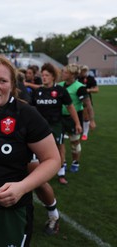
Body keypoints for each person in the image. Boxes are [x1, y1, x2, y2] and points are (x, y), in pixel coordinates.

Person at [0, 54, 61, 247]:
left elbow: (52, 159)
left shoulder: (27, 114)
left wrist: (22, 187)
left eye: (2, 81)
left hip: (11, 212)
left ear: (12, 84)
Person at [30, 62, 82, 234]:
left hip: (55, 126)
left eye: (47, 75)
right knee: (37, 153)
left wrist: (77, 123)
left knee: (59, 148)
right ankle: (43, 172)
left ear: (53, 76)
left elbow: (70, 107)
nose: (44, 77)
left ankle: (60, 172)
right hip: (39, 127)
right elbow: (30, 110)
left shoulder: (60, 91)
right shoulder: (37, 92)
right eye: (42, 75)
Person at [58, 64, 95, 173]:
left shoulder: (80, 87)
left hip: (74, 119)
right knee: (59, 142)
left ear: (72, 75)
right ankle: (63, 162)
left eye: (65, 72)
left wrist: (91, 120)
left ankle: (75, 162)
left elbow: (88, 105)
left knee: (74, 142)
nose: (62, 74)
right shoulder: (59, 85)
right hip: (59, 118)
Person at [77, 65, 99, 141]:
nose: (84, 72)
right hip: (76, 99)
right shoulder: (77, 78)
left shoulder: (90, 78)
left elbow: (96, 89)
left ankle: (85, 133)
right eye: (83, 70)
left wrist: (89, 90)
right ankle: (78, 129)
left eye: (85, 70)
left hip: (86, 99)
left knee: (86, 116)